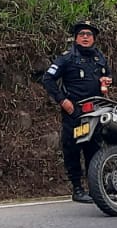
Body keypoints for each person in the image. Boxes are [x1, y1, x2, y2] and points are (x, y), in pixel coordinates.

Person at [41, 21, 112, 203]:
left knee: (94, 149)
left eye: (89, 34)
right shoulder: (67, 58)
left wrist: (106, 80)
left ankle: (95, 188)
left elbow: (108, 75)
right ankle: (77, 188)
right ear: (76, 38)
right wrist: (62, 100)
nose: (85, 37)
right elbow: (48, 79)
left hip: (95, 111)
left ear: (94, 38)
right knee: (72, 149)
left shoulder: (99, 57)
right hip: (75, 112)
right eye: (82, 34)